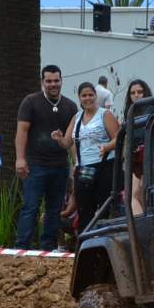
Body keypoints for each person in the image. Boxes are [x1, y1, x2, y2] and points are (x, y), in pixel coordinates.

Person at [15, 64, 78, 250]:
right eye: (49, 81)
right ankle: (22, 247)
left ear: (61, 81)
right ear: (42, 82)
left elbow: (72, 138)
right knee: (31, 207)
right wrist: (20, 158)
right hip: (35, 166)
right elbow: (22, 131)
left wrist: (76, 163)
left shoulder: (70, 106)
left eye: (56, 80)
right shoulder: (30, 102)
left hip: (60, 166)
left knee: (54, 210)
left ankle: (48, 248)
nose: (53, 84)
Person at [51, 82, 119, 232]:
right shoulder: (76, 117)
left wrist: (107, 147)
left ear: (95, 96)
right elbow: (68, 142)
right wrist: (59, 139)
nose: (88, 98)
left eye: (90, 95)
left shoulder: (105, 114)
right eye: (84, 95)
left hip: (105, 165)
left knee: (104, 207)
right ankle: (84, 241)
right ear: (79, 98)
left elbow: (119, 138)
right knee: (84, 208)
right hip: (84, 169)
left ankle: (105, 238)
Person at [122, 79, 153, 215]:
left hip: (151, 160)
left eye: (140, 92)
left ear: (145, 93)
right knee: (132, 196)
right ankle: (140, 227)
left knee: (141, 193)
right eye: (133, 93)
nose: (136, 95)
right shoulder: (130, 113)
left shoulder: (152, 110)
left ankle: (143, 225)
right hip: (135, 161)